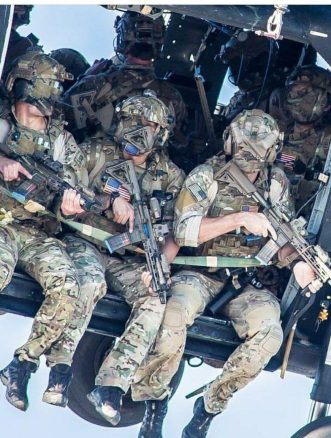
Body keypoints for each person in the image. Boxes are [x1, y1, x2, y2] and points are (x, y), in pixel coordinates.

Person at [130, 110, 322, 437]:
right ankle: (154, 402)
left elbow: (282, 241)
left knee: (270, 336)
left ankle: (209, 406)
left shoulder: (275, 183)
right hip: (200, 273)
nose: (251, 159)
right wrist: (238, 220)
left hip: (247, 283)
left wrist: (299, 263)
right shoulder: (207, 176)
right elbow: (184, 230)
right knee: (173, 313)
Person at [73, 91, 185, 425]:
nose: (137, 130)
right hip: (86, 245)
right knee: (86, 283)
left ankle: (111, 385)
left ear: (160, 132)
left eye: (146, 125)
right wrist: (107, 201)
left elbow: (177, 231)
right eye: (131, 122)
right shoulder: (95, 152)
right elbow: (62, 189)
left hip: (131, 261)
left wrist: (160, 264)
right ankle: (60, 367)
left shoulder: (171, 176)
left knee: (154, 302)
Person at [0, 51, 92, 412]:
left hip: (38, 234)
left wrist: (69, 203)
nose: (42, 111)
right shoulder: (3, 124)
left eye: (46, 103)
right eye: (34, 102)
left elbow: (76, 185)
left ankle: (23, 363)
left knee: (69, 287)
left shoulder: (61, 141)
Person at [62, 10, 187, 148]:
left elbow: (60, 118)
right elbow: (177, 144)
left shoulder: (94, 84)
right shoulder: (174, 99)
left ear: (122, 38)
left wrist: (86, 76)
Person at [274, 64, 331, 215]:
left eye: (306, 94)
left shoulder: (327, 143)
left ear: (326, 104)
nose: (297, 99)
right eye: (294, 92)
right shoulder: (272, 131)